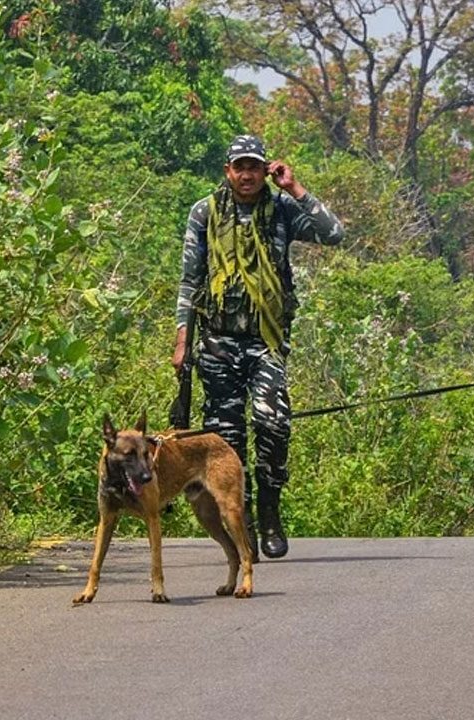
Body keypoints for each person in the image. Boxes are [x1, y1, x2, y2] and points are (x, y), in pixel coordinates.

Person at [173, 135, 344, 561]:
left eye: (254, 167)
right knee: (226, 440)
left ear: (265, 169)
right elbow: (189, 280)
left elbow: (334, 233)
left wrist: (295, 188)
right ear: (227, 171)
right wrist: (182, 341)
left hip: (266, 341)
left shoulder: (281, 209)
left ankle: (270, 509)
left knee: (274, 424)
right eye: (239, 167)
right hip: (216, 342)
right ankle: (241, 520)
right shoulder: (204, 213)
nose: (247, 175)